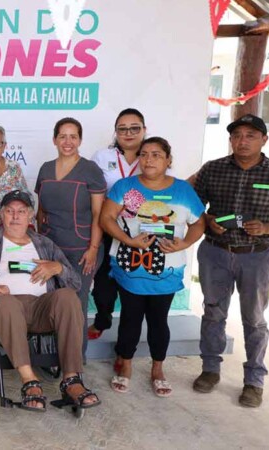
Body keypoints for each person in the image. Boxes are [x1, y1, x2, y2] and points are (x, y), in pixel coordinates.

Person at [192, 114, 269, 408]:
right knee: (213, 312)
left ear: (264, 140)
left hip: (256, 257)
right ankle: (210, 369)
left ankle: (254, 380)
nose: (242, 141)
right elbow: (191, 206)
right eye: (237, 135)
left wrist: (268, 227)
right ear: (230, 139)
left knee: (254, 320)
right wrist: (208, 220)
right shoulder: (213, 170)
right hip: (215, 252)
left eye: (250, 136)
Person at [0, 190, 100, 412]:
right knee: (6, 302)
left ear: (30, 216)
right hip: (4, 306)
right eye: (10, 211)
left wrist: (58, 267)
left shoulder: (44, 243)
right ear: (1, 215)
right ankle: (29, 380)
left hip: (42, 307)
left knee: (69, 297)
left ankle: (71, 379)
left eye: (21, 211)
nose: (15, 216)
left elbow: (76, 283)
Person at [100, 137, 205, 398]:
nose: (149, 159)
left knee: (159, 320)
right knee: (130, 318)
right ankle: (125, 364)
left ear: (168, 160)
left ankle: (158, 368)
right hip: (130, 266)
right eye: (144, 154)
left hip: (166, 271)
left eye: (156, 155)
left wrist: (184, 244)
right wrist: (128, 240)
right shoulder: (125, 187)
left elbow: (199, 223)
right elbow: (106, 218)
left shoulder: (182, 190)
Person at [35, 118, 106, 355]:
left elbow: (99, 213)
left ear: (80, 140)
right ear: (54, 139)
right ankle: (52, 355)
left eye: (73, 136)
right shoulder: (45, 168)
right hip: (50, 246)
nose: (68, 142)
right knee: (51, 301)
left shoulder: (90, 170)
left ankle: (75, 362)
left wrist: (93, 249)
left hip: (81, 248)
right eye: (62, 136)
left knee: (76, 303)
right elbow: (40, 211)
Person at [89, 108, 147, 340]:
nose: (129, 133)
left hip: (143, 231)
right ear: (116, 132)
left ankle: (130, 336)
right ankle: (103, 319)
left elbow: (164, 188)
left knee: (134, 284)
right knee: (104, 283)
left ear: (144, 129)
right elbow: (92, 190)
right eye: (122, 129)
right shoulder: (103, 157)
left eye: (135, 128)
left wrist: (132, 207)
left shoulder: (153, 154)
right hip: (108, 227)